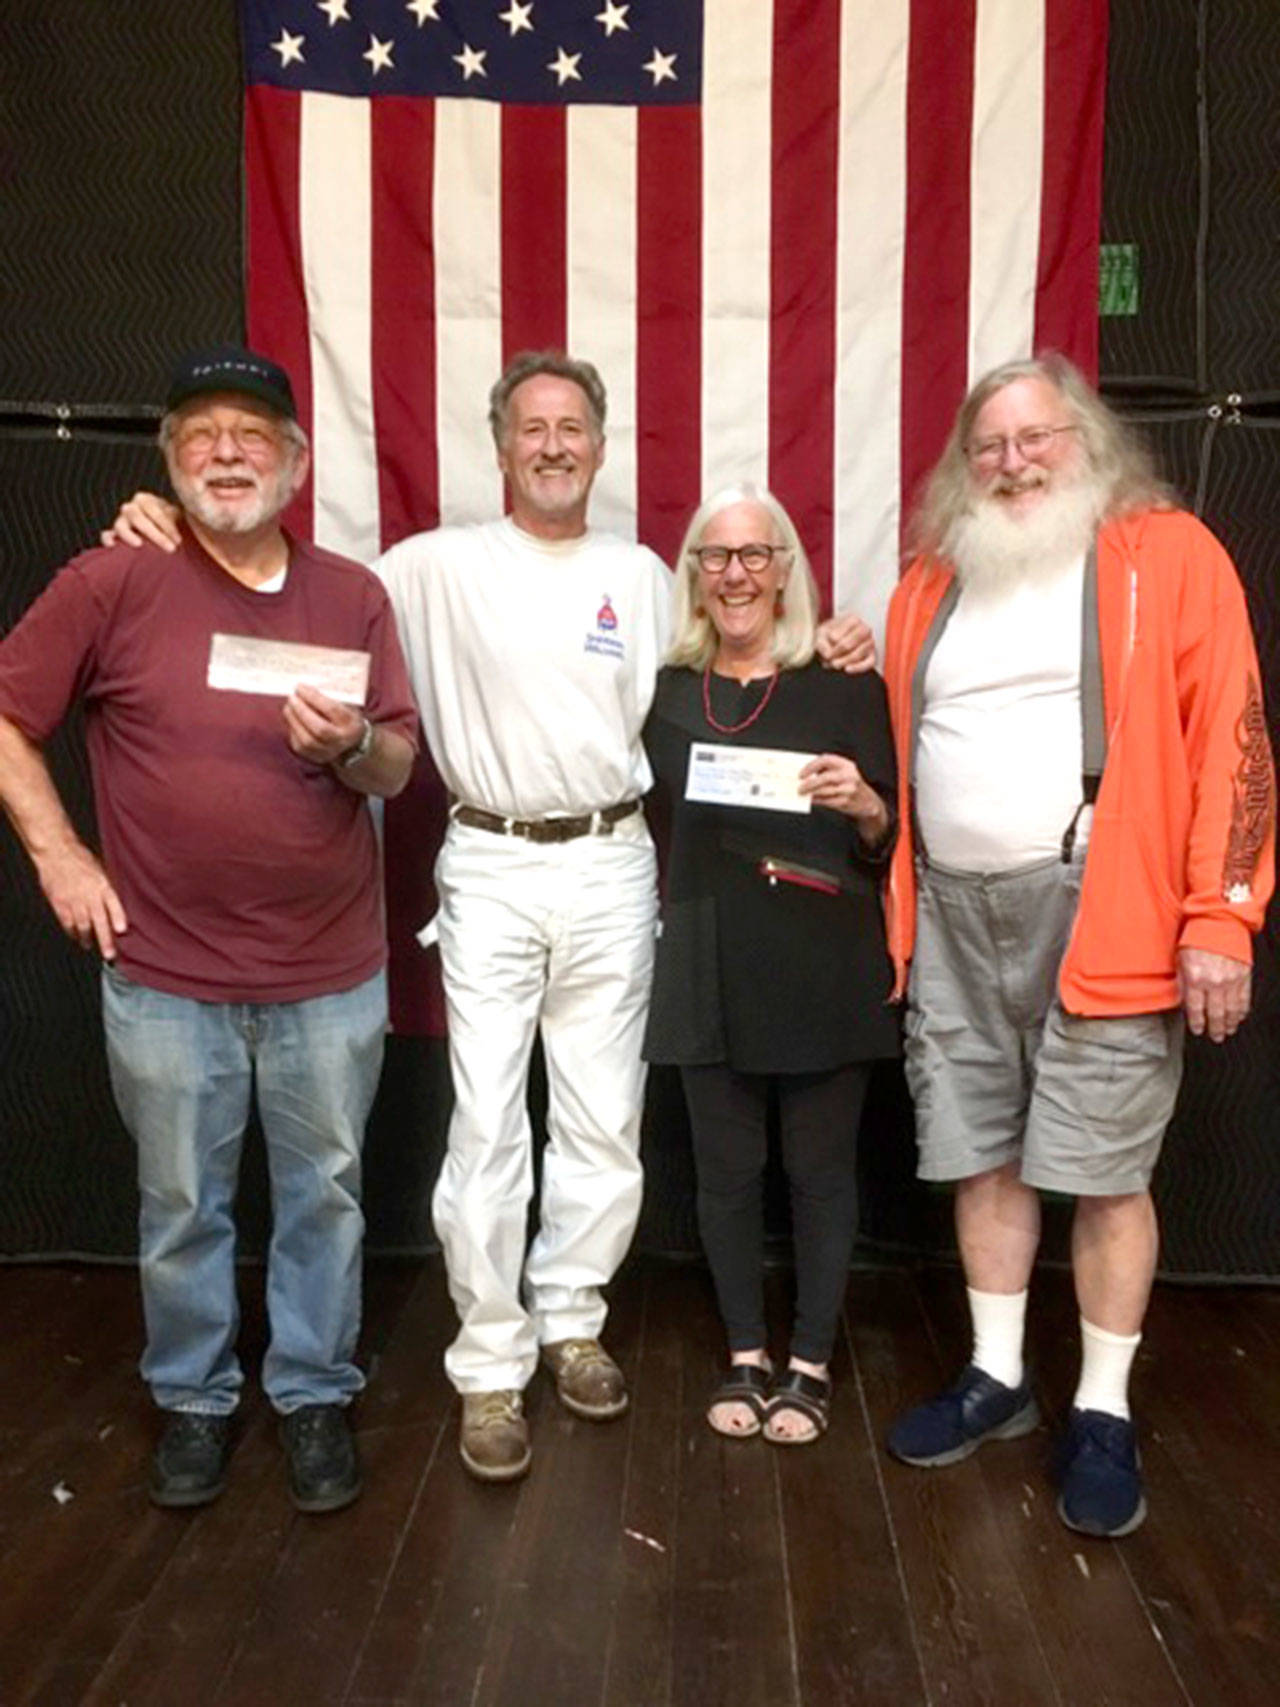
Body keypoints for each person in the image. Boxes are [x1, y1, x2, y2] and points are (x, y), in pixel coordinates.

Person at [103, 349, 876, 1483]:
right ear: (501, 447)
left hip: (613, 860)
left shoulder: (640, 575)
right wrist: (168, 527)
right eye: (531, 428)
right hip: (491, 858)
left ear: (599, 449)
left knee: (602, 1120)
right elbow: (285, 585)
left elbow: (743, 644)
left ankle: (571, 1320)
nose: (552, 446)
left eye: (572, 428)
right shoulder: (428, 568)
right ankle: (490, 1360)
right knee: (486, 1125)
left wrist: (838, 636)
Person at [0, 346, 419, 1513]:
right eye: (200, 435)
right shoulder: (111, 579)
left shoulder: (352, 595)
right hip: (166, 976)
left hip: (328, 975)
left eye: (251, 434)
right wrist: (59, 853)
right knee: (183, 1204)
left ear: (294, 462)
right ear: (170, 460)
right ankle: (192, 1399)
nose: (226, 453)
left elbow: (396, 763)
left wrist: (348, 745)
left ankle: (313, 1390)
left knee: (325, 1195)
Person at [881, 353, 1274, 1536]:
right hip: (949, 914)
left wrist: (1221, 915)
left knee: (1104, 1171)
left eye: (1034, 438)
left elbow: (1237, 744)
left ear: (1085, 441)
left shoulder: (1166, 553)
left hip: (1104, 909)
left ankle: (1100, 1410)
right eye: (988, 445)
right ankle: (996, 1375)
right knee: (980, 1153)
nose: (1011, 463)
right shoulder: (928, 580)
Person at [642, 484, 900, 1443]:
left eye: (756, 553)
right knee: (726, 1172)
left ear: (785, 568)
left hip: (820, 953)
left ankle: (812, 1362)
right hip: (707, 953)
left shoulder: (842, 681)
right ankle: (747, 1352)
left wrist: (864, 803)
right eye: (717, 556)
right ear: (696, 575)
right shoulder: (666, 688)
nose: (736, 573)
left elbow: (887, 831)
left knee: (822, 1171)